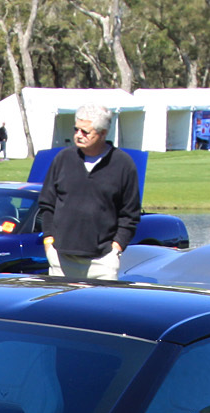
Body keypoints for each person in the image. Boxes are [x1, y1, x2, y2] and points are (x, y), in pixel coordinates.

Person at [35, 103, 140, 281]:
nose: (78, 135)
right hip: (61, 259)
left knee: (102, 309)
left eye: (85, 132)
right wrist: (48, 242)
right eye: (76, 129)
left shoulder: (123, 164)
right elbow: (47, 204)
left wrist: (116, 248)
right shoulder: (63, 159)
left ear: (103, 133)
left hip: (103, 261)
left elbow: (130, 214)